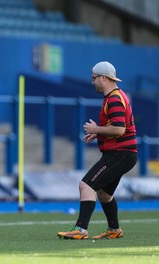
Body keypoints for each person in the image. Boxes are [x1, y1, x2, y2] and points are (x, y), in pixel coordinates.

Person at [57, 61, 137, 240]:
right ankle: (114, 230)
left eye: (94, 78)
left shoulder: (114, 98)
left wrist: (97, 130)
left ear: (103, 78)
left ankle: (81, 230)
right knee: (104, 193)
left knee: (86, 185)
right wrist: (100, 133)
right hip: (125, 153)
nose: (92, 82)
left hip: (120, 153)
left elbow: (118, 129)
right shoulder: (116, 96)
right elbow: (116, 127)